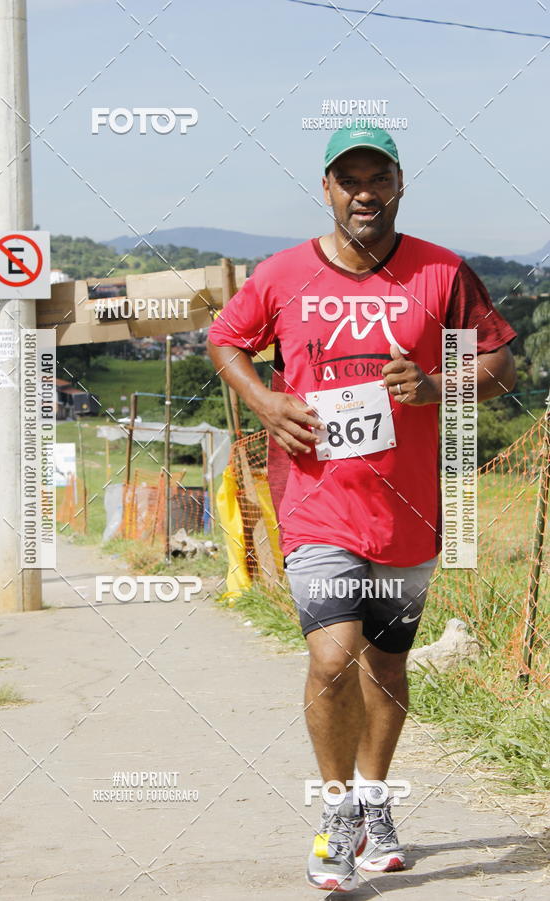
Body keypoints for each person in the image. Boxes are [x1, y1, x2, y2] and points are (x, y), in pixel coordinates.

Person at [207, 124, 516, 893]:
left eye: (378, 177)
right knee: (333, 656)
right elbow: (226, 339)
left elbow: (501, 363)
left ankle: (377, 801)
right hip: (316, 506)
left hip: (406, 511)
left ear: (401, 184)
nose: (364, 192)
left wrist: (442, 386)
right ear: (327, 190)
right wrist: (266, 401)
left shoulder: (441, 273)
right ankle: (337, 811)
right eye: (350, 180)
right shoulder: (281, 275)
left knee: (385, 665)